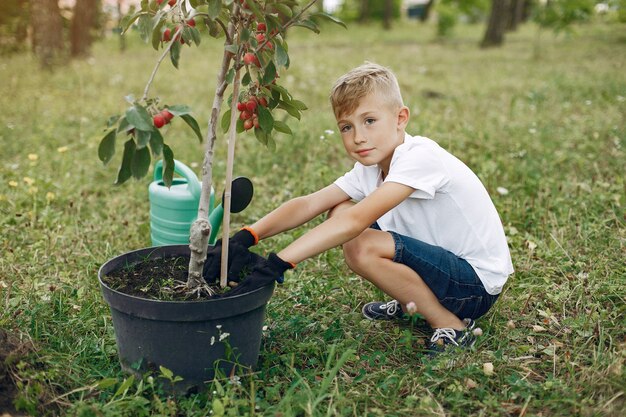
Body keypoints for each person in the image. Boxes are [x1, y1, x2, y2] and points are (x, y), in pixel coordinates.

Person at [204, 62, 514, 354]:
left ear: (400, 118)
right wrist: (247, 236)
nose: (358, 138)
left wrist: (279, 262)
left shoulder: (420, 157)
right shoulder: (371, 166)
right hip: (444, 268)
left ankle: (449, 323)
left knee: (359, 240)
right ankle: (413, 301)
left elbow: (356, 221)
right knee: (338, 209)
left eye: (369, 121)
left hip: (473, 286)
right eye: (346, 127)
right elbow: (310, 203)